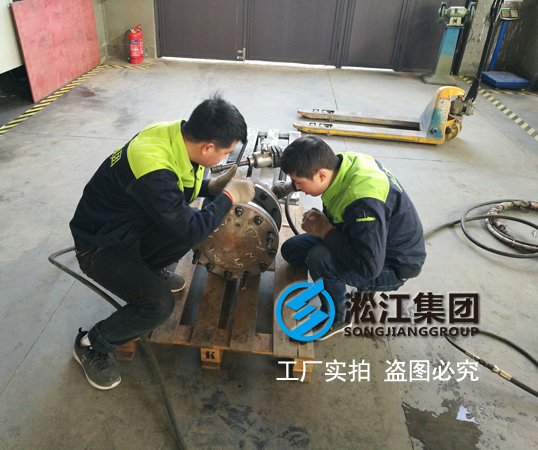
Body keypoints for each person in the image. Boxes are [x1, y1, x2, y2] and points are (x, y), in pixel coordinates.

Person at [69, 95, 255, 389]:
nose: (223, 160)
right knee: (158, 305)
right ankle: (91, 344)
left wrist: (210, 187)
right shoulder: (152, 164)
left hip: (130, 226)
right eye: (224, 153)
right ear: (207, 147)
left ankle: (148, 272)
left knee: (186, 227)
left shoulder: (174, 135)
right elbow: (190, 229)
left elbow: (175, 189)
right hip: (101, 245)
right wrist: (228, 196)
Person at [272, 136, 425, 341]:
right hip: (363, 239)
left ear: (321, 175)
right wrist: (289, 187)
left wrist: (325, 230)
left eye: (300, 183)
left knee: (320, 258)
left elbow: (369, 268)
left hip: (390, 265)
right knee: (292, 250)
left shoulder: (364, 205)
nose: (299, 188)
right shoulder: (342, 163)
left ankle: (339, 316)